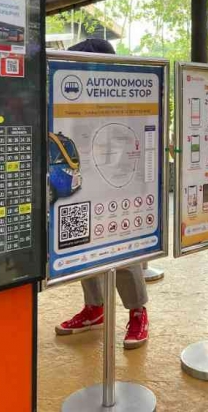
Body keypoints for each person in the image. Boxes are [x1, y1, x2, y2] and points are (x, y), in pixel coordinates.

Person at [54, 37, 150, 350]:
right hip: (81, 181)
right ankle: (94, 308)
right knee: (82, 242)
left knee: (122, 246)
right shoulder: (70, 91)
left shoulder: (125, 91)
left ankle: (137, 311)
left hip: (119, 183)